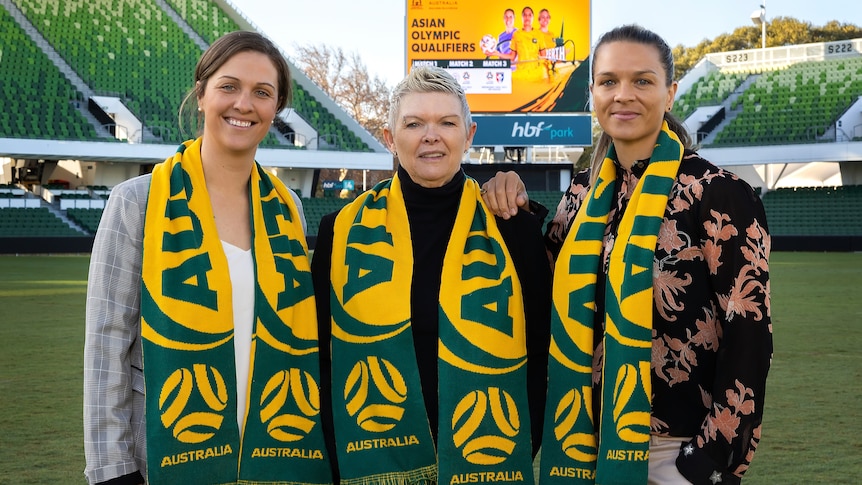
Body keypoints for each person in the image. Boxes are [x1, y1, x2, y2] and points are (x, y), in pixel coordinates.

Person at [481, 24, 772, 485]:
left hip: (673, 450)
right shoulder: (579, 195)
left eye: (642, 81)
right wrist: (509, 198)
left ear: (670, 93)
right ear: (593, 93)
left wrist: (708, 458)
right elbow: (540, 294)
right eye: (609, 81)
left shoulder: (718, 193)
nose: (623, 95)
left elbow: (750, 335)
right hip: (581, 444)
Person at [83, 31, 332, 485]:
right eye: (228, 86)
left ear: (275, 109)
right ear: (201, 94)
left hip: (274, 451)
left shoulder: (288, 209)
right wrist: (110, 469)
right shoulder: (137, 202)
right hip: (160, 455)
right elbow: (106, 345)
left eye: (262, 93)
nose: (244, 104)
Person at [311, 66, 551, 485]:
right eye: (414, 123)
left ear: (469, 134)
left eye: (446, 122)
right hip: (372, 459)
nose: (431, 135)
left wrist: (518, 443)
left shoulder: (515, 227)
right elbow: (320, 352)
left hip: (487, 455)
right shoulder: (341, 229)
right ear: (390, 138)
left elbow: (539, 352)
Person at [497, 7, 554, 81]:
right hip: (521, 76)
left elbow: (544, 56)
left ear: (533, 17)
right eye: (525, 15)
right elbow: (512, 56)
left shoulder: (539, 34)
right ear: (522, 17)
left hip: (536, 76)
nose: (527, 17)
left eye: (529, 15)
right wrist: (497, 53)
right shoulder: (516, 34)